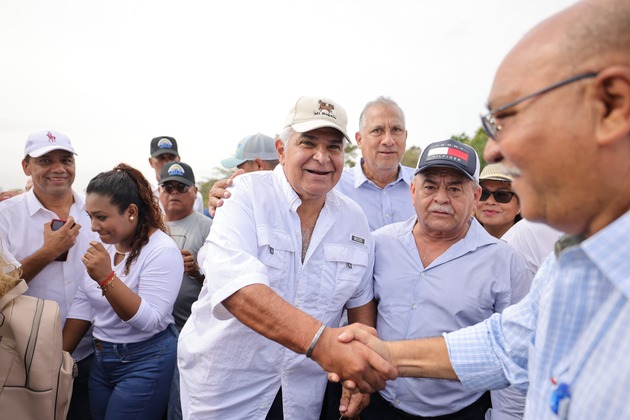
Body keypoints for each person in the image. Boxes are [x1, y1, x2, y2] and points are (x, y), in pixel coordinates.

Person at [336, 1, 630, 418]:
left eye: (508, 117)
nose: (494, 148)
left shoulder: (509, 259)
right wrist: (379, 355)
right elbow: (505, 345)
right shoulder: (568, 263)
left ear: (612, 105)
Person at [177, 96, 395, 419]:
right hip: (227, 392)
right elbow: (239, 291)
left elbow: (360, 299)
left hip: (303, 395)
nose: (322, 158)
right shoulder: (244, 197)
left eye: (334, 147)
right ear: (281, 149)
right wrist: (325, 345)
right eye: (308, 143)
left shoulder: (354, 219)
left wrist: (357, 375)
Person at [356, 141, 532, 420]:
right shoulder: (380, 243)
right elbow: (359, 310)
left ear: (475, 196)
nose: (440, 198)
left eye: (454, 188)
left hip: (460, 412)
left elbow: (516, 353)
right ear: (413, 191)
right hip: (380, 405)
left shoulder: (505, 262)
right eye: (430, 187)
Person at [62, 163, 183, 420]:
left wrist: (107, 278)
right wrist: (59, 355)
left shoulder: (162, 250)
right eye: (90, 216)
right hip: (103, 359)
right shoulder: (106, 247)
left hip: (146, 360)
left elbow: (149, 321)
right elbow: (85, 300)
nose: (93, 226)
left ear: (131, 211)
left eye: (102, 217)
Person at [0, 129, 97, 420]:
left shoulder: (95, 212)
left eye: (65, 159)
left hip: (93, 355)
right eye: (45, 160)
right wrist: (48, 252)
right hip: (26, 360)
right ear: (26, 166)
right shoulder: (6, 216)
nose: (58, 168)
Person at [208, 96, 416, 230]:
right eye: (377, 130)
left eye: (396, 130)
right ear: (359, 139)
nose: (388, 140)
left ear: (406, 136)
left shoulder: (429, 188)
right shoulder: (329, 184)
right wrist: (229, 196)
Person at [158, 161, 213, 420]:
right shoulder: (152, 227)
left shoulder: (209, 227)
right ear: (159, 192)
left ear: (194, 191)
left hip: (188, 331)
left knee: (180, 404)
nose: (174, 193)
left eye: (181, 187)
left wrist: (197, 272)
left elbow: (225, 287)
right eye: (167, 187)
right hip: (153, 333)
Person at [148, 136, 204, 214]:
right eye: (161, 158)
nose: (167, 162)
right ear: (151, 162)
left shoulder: (195, 196)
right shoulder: (144, 194)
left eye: (171, 157)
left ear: (178, 159)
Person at [475, 163, 522, 239]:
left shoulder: (531, 246)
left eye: (502, 195)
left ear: (521, 204)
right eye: (483, 193)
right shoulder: (457, 240)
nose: (490, 202)